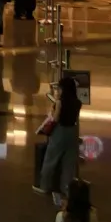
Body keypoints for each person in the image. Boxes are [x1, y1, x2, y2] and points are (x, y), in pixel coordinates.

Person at [38, 73, 83, 204]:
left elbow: (56, 118)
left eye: (60, 88)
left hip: (60, 132)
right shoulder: (78, 103)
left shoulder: (59, 102)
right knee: (69, 163)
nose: (58, 90)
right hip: (72, 132)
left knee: (51, 159)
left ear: (64, 89)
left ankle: (44, 186)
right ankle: (67, 189)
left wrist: (51, 113)